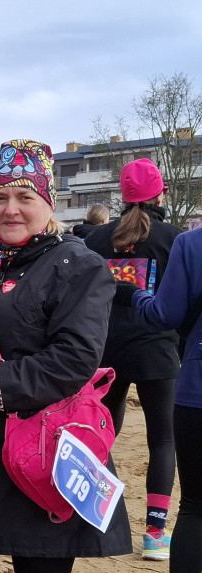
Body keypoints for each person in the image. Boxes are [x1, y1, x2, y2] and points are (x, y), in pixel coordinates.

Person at [0, 139, 131, 572]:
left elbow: (75, 358)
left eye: (24, 197)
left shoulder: (79, 265)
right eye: (0, 198)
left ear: (47, 203)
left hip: (41, 448)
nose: (10, 209)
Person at [84, 158, 180, 560]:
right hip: (158, 349)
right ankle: (155, 534)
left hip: (105, 349)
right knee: (163, 439)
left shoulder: (96, 240)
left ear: (121, 196)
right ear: (161, 194)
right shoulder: (173, 239)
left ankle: (96, 521)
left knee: (101, 434)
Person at [127, 226, 202, 572]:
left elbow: (166, 315)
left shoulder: (192, 243)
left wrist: (135, 296)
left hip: (197, 389)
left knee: (195, 508)